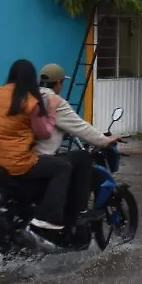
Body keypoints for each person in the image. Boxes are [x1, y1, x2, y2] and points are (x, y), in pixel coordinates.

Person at [0, 59, 72, 241]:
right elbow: (44, 133)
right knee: (63, 167)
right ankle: (49, 218)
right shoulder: (30, 101)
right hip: (16, 163)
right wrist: (52, 110)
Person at [35, 63, 120, 235]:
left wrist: (61, 132)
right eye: (62, 83)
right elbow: (81, 128)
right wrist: (105, 141)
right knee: (82, 158)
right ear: (59, 83)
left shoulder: (30, 97)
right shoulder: (55, 102)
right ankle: (80, 210)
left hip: (21, 155)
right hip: (41, 158)